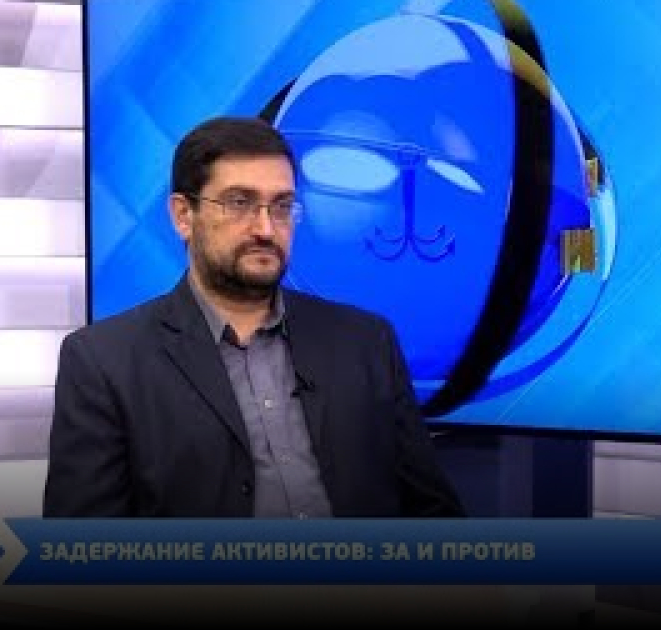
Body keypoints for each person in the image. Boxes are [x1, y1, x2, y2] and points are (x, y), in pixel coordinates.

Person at [43, 116, 466, 518]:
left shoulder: (366, 343)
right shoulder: (104, 362)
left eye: (281, 206)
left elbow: (433, 514)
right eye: (239, 203)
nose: (265, 228)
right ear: (183, 215)